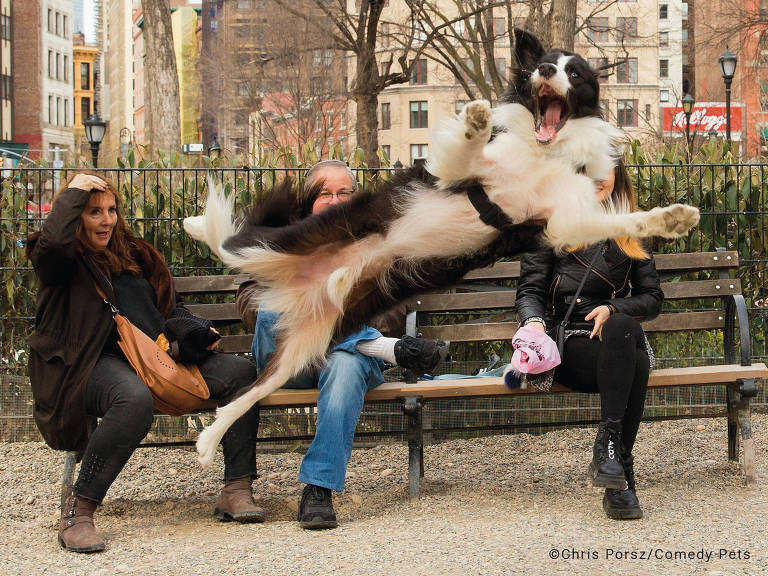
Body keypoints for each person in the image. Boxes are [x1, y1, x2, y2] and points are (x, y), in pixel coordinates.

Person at [26, 172, 262, 553]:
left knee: (242, 374)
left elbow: (170, 310)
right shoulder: (61, 260)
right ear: (73, 215)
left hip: (158, 359)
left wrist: (190, 336)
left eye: (111, 210)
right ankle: (79, 511)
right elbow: (53, 246)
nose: (106, 220)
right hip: (93, 364)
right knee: (132, 399)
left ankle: (236, 489)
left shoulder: (136, 255)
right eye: (93, 212)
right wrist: (74, 190)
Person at [236, 160, 449, 529]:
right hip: (288, 359)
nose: (335, 201)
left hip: (344, 362)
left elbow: (393, 308)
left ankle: (318, 489)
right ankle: (389, 350)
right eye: (324, 194)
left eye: (343, 193)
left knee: (346, 364)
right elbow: (251, 302)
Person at [515, 159, 663, 520]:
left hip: (615, 341)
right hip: (566, 346)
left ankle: (609, 456)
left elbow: (653, 297)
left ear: (617, 175)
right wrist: (534, 323)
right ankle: (621, 471)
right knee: (638, 362)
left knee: (624, 328)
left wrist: (612, 308)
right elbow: (530, 290)